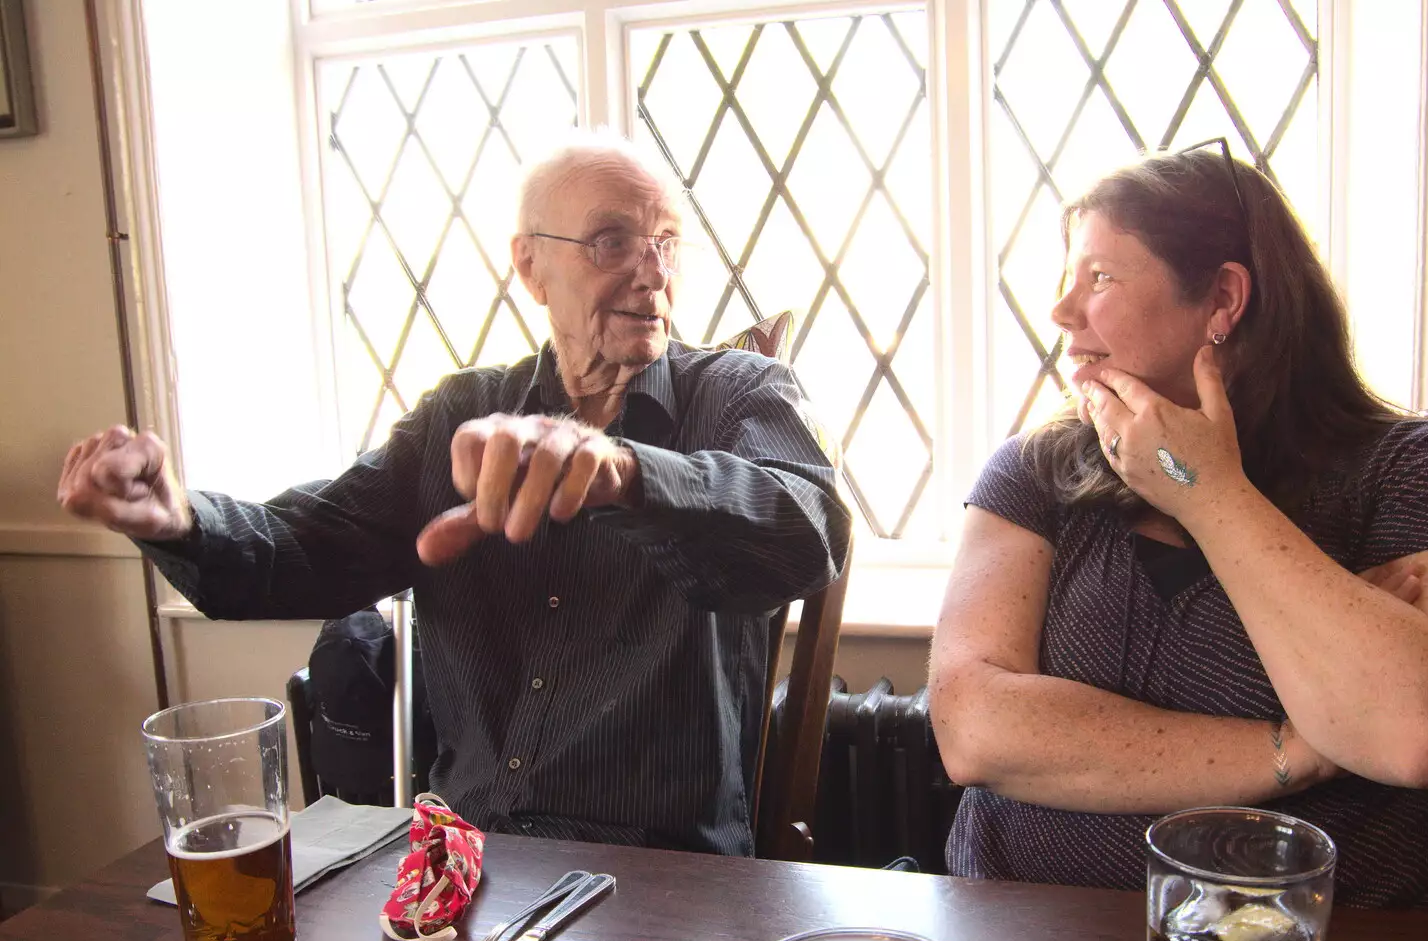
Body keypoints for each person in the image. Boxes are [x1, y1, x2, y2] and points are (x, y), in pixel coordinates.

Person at [58, 129, 852, 856]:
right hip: (460, 866)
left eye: (667, 243)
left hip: (654, 879)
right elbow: (305, 549)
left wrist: (625, 475)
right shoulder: (461, 414)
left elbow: (808, 528)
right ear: (529, 265)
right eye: (613, 241)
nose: (653, 273)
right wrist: (179, 520)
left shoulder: (746, 392)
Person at [927, 146, 1428, 909]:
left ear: (1223, 299)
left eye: (1099, 277)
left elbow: (1420, 735)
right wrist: (1303, 746)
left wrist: (1210, 495)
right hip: (1029, 940)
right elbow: (971, 726)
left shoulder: (1416, 469)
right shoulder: (1033, 471)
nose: (1062, 312)